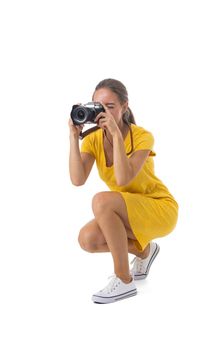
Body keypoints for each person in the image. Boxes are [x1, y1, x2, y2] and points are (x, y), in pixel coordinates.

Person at [68, 78, 178, 304]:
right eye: (98, 107)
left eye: (110, 107)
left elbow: (123, 177)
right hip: (127, 209)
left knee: (101, 201)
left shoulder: (142, 136)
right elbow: (77, 180)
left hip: (159, 207)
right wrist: (73, 138)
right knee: (87, 239)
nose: (103, 113)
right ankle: (145, 251)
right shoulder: (93, 140)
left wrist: (117, 135)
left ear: (124, 107)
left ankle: (124, 280)